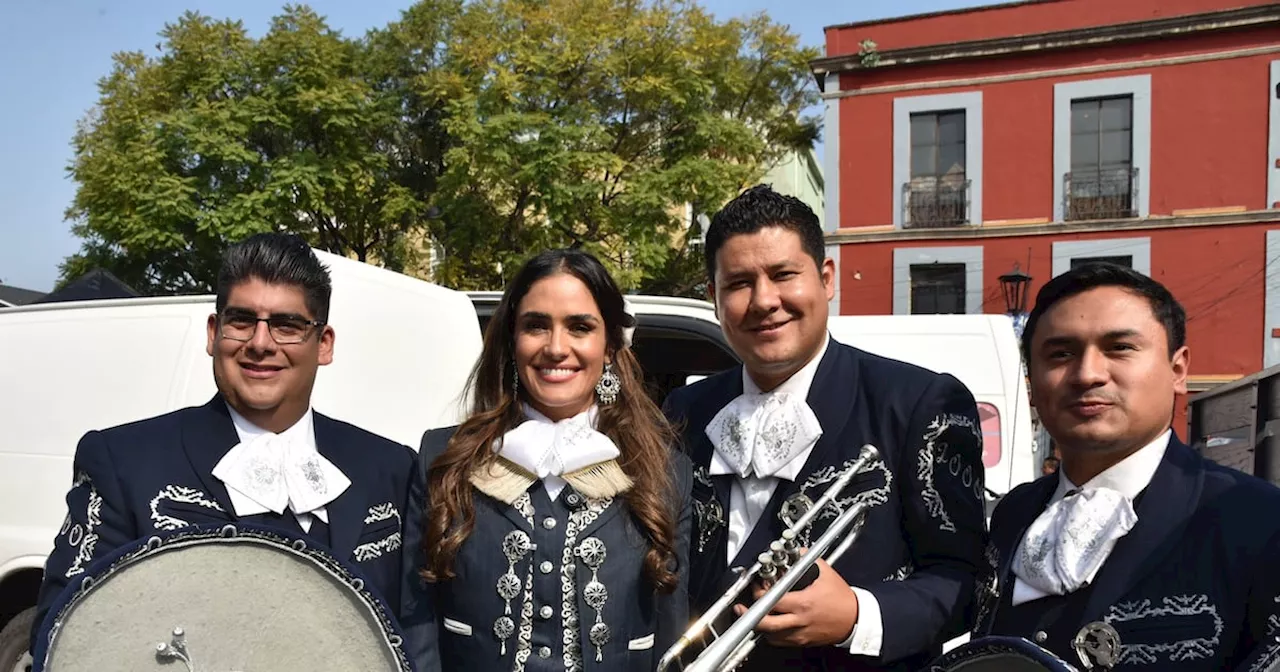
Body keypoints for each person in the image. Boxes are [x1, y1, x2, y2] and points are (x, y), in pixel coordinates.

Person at [31, 233, 415, 653]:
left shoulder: (391, 467)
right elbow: (66, 634)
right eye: (242, 320)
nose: (261, 343)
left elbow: (416, 636)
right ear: (214, 334)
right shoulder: (123, 462)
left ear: (323, 345)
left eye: (288, 325)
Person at [661, 185, 988, 671]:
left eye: (783, 275)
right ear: (713, 297)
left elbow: (969, 584)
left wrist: (860, 615)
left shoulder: (919, 402)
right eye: (739, 283)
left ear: (826, 278)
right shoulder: (686, 408)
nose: (764, 300)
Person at [973, 263, 1280, 671]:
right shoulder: (1012, 514)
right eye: (1060, 354)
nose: (1087, 374)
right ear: (1032, 384)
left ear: (1178, 369)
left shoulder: (1260, 521)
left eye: (1119, 348)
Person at [399, 249, 693, 672]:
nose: (557, 348)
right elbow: (416, 624)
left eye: (580, 327)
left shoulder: (665, 470)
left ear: (609, 346)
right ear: (512, 340)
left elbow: (672, 640)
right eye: (536, 326)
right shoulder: (443, 458)